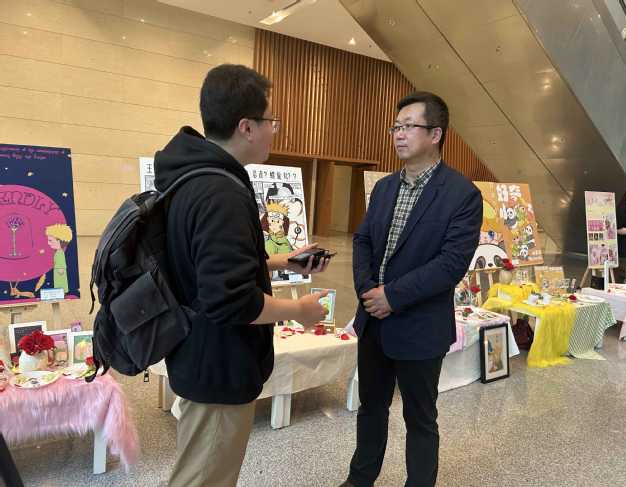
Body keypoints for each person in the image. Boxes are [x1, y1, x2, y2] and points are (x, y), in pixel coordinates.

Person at [154, 64, 329, 487]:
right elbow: (229, 300)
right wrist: (299, 311)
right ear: (247, 127)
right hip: (219, 365)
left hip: (198, 354)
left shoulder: (192, 175)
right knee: (204, 478)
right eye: (272, 122)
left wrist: (280, 263)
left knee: (201, 470)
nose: (274, 131)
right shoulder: (221, 192)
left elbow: (204, 266)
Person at [339, 92, 482, 487]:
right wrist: (369, 291)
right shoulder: (385, 187)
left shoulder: (462, 195)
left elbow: (450, 264)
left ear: (435, 134)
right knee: (371, 408)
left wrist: (393, 296)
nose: (398, 134)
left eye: (408, 127)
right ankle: (359, 480)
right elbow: (363, 241)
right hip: (374, 321)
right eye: (395, 127)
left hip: (420, 326)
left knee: (420, 417)